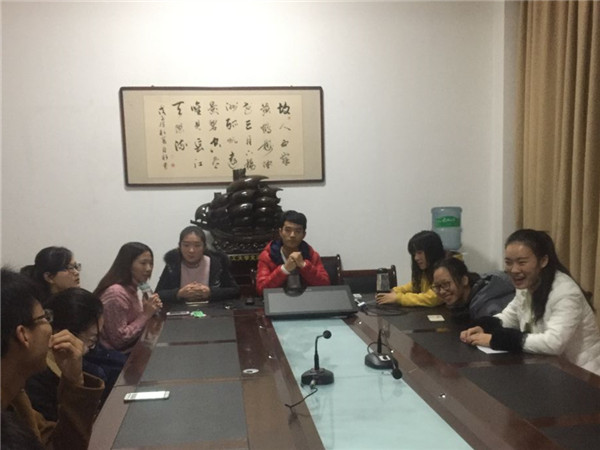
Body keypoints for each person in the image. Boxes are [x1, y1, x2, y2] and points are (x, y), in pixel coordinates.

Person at [460, 229, 600, 376]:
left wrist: (494, 340)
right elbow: (509, 317)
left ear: (543, 261)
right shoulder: (526, 286)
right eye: (508, 262)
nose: (514, 270)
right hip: (549, 370)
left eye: (522, 262)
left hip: (583, 375)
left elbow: (554, 343)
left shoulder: (565, 292)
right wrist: (482, 327)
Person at [1, 267, 104, 450]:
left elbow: (59, 445)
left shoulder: (17, 398)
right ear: (23, 335)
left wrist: (74, 381)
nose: (51, 328)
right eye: (45, 318)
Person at [25, 287, 124, 421]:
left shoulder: (68, 365)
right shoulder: (37, 379)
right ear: (65, 334)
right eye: (92, 340)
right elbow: (70, 427)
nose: (92, 348)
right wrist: (76, 381)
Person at [94, 242, 163, 353]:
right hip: (116, 356)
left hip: (133, 348)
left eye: (151, 263)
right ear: (128, 265)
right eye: (143, 263)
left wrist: (149, 309)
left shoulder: (132, 289)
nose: (148, 268)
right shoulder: (116, 294)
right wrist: (145, 314)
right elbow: (119, 340)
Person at [156, 226, 240, 303]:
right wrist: (178, 293)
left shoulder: (217, 263)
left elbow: (235, 292)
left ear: (204, 247)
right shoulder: (173, 264)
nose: (191, 250)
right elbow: (157, 295)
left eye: (197, 245)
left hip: (212, 310)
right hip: (180, 311)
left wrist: (210, 292)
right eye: (186, 245)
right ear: (179, 246)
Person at [256, 210, 330, 296]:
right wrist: (284, 269)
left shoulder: (311, 255)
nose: (292, 235)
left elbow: (325, 285)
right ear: (280, 232)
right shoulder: (267, 256)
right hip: (278, 301)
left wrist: (304, 266)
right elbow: (261, 290)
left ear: (304, 235)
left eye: (297, 231)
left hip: (307, 300)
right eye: (288, 230)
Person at [432, 257, 515, 322]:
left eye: (446, 284)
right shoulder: (472, 295)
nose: (442, 291)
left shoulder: (486, 309)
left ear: (464, 280)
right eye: (437, 286)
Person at [376, 230, 446, 307]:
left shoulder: (445, 271)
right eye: (414, 254)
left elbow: (433, 298)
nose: (416, 258)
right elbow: (415, 285)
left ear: (432, 251)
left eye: (419, 252)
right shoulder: (427, 270)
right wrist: (394, 291)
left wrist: (398, 298)